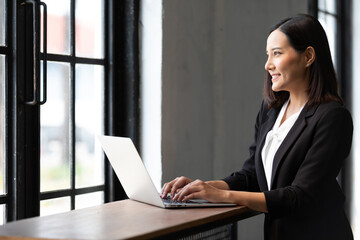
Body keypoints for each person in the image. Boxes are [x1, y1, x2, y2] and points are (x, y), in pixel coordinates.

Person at [161, 14, 354, 240]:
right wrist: (199, 189)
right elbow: (253, 176)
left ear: (308, 56)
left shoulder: (333, 118)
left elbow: (300, 197)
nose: (268, 64)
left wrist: (221, 196)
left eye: (277, 53)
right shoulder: (271, 110)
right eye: (267, 54)